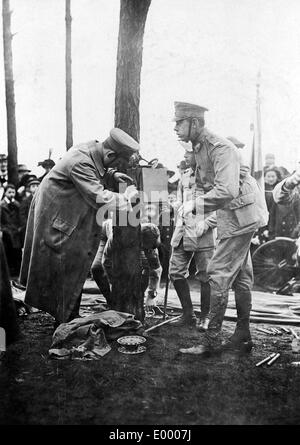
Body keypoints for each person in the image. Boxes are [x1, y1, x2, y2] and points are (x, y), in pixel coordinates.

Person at [172, 102, 268, 355]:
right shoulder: (201, 146)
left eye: (179, 123)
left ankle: (211, 343)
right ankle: (243, 335)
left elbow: (226, 190)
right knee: (242, 277)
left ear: (196, 123)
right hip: (235, 213)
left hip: (238, 215)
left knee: (217, 272)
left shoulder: (220, 147)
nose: (175, 128)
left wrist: (195, 204)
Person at [20, 128, 140, 326]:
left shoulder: (93, 148)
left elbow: (99, 167)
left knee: (73, 266)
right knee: (63, 265)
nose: (120, 166)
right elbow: (100, 197)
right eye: (118, 161)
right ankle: (65, 320)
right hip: (58, 215)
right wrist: (127, 197)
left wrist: (112, 175)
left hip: (66, 211)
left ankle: (68, 316)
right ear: (111, 154)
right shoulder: (81, 161)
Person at [169, 147, 216, 330]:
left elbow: (222, 205)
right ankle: (188, 314)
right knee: (175, 272)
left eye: (188, 153)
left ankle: (205, 317)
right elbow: (182, 199)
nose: (184, 156)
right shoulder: (185, 174)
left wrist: (209, 223)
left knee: (206, 276)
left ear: (198, 155)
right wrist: (176, 205)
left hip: (203, 232)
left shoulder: (211, 175)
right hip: (182, 230)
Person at [0, 184, 22, 277]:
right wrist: (3, 229)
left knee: (17, 253)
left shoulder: (17, 204)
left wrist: (19, 228)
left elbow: (20, 219)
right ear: (5, 193)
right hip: (6, 234)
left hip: (16, 233)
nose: (11, 194)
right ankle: (8, 274)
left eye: (13, 192)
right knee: (7, 253)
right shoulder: (1, 205)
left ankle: (17, 274)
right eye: (9, 192)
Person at [19, 175, 40, 245]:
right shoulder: (25, 201)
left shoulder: (43, 199)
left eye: (37, 186)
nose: (36, 188)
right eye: (33, 186)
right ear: (30, 189)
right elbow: (22, 216)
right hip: (29, 228)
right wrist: (27, 225)